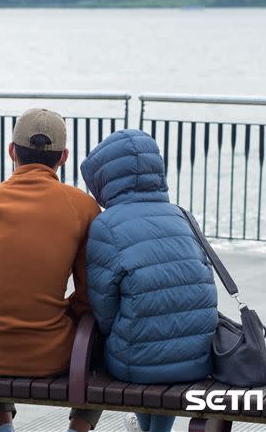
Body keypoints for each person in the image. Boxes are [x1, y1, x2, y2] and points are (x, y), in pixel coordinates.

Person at [0, 109, 103, 432]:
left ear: (11, 151)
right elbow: (91, 298)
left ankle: (4, 426)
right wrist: (64, 313)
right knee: (101, 342)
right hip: (52, 356)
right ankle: (79, 428)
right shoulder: (84, 208)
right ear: (63, 157)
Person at [79, 129, 219, 432]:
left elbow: (103, 309)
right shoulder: (182, 216)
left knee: (129, 344)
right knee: (158, 342)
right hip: (198, 358)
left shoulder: (107, 225)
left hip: (135, 362)